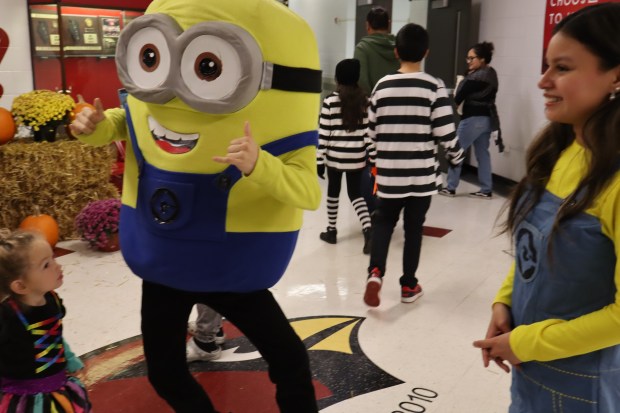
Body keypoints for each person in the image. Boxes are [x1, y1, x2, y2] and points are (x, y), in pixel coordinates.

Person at [69, 0, 323, 412]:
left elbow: (308, 192)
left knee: (289, 358)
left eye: (208, 67)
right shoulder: (147, 108)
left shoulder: (278, 127)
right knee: (163, 370)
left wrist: (260, 165)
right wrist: (92, 129)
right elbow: (122, 122)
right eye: (151, 57)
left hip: (232, 267)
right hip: (165, 261)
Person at [473, 4, 620, 412]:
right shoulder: (560, 149)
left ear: (615, 76)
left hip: (581, 385)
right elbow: (532, 252)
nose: (543, 81)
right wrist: (505, 302)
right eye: (546, 65)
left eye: (563, 68)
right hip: (533, 370)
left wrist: (524, 342)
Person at [363, 23, 464, 307]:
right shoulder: (434, 86)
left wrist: (376, 160)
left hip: (389, 175)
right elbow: (446, 132)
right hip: (421, 178)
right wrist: (457, 157)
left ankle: (375, 272)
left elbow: (370, 133)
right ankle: (408, 285)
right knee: (413, 229)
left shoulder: (382, 86)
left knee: (383, 223)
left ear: (396, 52)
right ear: (426, 53)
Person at [0, 229, 91, 412]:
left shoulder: (52, 300)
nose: (57, 266)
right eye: (46, 265)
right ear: (20, 285)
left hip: (58, 388)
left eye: (53, 258)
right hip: (23, 400)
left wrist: (70, 360)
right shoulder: (8, 317)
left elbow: (55, 335)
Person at [317, 58, 374, 254]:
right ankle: (368, 231)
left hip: (334, 158)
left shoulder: (330, 101)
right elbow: (368, 134)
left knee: (333, 192)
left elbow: (324, 134)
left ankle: (331, 231)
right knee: (355, 194)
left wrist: (319, 160)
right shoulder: (365, 102)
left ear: (338, 78)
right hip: (356, 158)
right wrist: (373, 157)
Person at [354, 6, 401, 214]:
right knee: (394, 163)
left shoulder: (363, 48)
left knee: (368, 164)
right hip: (399, 114)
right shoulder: (399, 48)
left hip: (372, 114)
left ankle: (373, 207)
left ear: (367, 26)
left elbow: (362, 82)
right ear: (389, 25)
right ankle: (391, 205)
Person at [438, 41, 498, 199]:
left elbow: (458, 96)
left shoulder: (475, 77)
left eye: (472, 58)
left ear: (482, 59)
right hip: (487, 120)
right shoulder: (492, 74)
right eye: (468, 58)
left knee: (456, 150)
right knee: (483, 154)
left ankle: (450, 187)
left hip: (473, 119)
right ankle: (486, 189)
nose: (469, 61)